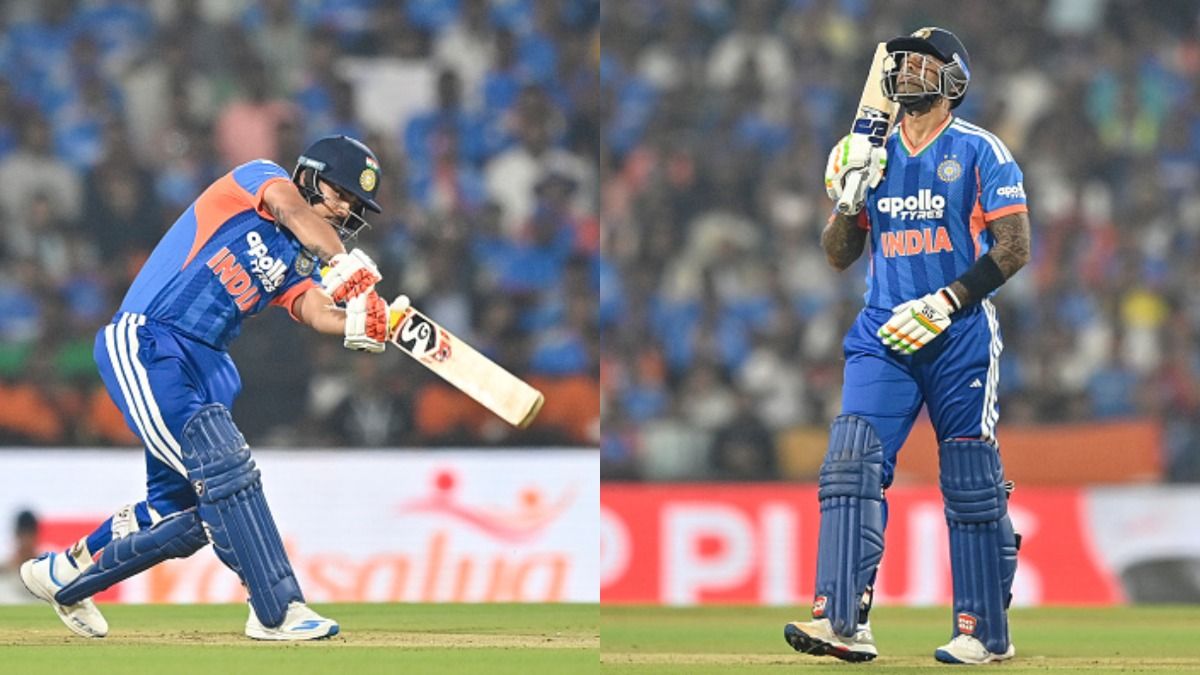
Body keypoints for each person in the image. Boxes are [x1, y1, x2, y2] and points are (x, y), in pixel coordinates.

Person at [19, 135, 404, 641]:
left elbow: (311, 308)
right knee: (224, 471)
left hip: (205, 366)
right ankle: (275, 609)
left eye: (354, 204)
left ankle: (63, 576)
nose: (344, 207)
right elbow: (291, 211)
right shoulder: (260, 178)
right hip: (150, 341)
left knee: (180, 514)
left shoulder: (300, 257)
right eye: (339, 192)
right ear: (309, 174)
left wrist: (358, 323)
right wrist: (347, 269)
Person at [785, 28, 1031, 665]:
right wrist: (848, 202)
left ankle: (984, 633)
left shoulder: (981, 150)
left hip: (959, 333)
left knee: (971, 482)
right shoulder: (869, 153)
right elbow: (839, 256)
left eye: (922, 63)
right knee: (850, 465)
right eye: (899, 62)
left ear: (954, 81)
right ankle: (840, 621)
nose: (904, 71)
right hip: (883, 332)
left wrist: (947, 300)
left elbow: (1014, 248)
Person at [0, 511, 39, 604]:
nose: (26, 540)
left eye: (29, 535)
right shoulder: (4, 568)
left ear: (35, 535)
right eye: (22, 535)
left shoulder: (47, 569)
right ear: (16, 535)